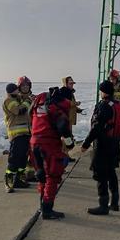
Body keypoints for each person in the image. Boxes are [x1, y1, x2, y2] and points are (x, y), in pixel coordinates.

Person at [30, 86, 74, 220]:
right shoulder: (61, 105)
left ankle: (42, 205)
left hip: (34, 141)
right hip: (48, 144)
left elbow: (29, 112)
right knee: (52, 176)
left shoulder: (41, 98)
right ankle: (47, 210)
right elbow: (63, 127)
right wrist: (69, 143)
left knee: (42, 175)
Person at [81, 80, 120, 215]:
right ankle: (115, 203)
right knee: (111, 172)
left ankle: (103, 206)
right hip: (114, 143)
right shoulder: (117, 104)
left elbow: (96, 128)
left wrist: (86, 144)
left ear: (103, 91)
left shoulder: (104, 106)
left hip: (103, 144)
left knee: (100, 174)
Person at [2, 83, 33, 193]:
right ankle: (8, 181)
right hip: (16, 135)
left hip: (25, 133)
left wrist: (28, 98)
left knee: (22, 159)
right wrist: (28, 101)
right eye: (16, 90)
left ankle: (19, 180)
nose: (18, 91)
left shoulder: (19, 99)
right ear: (11, 91)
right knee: (14, 159)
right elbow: (19, 111)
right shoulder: (9, 101)